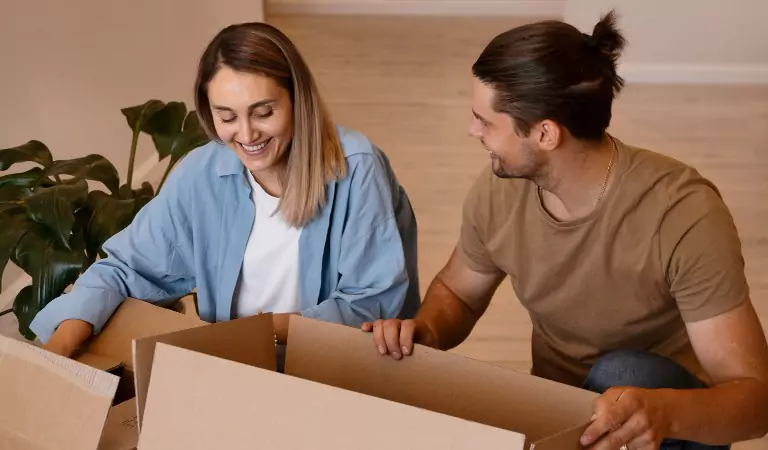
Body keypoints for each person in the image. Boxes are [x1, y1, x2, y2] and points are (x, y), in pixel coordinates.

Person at [364, 11, 768, 450]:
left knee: (625, 374)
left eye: (485, 120)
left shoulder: (683, 214)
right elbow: (459, 293)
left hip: (663, 422)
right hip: (566, 417)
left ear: (545, 133)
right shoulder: (500, 192)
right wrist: (425, 331)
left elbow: (754, 401)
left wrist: (663, 413)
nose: (471, 130)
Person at [31, 22, 420, 358]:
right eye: (227, 117)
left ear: (298, 99)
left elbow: (371, 304)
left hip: (331, 368)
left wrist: (252, 335)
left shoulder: (355, 168)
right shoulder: (202, 173)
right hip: (235, 365)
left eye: (264, 112)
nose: (247, 135)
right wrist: (58, 352)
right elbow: (127, 268)